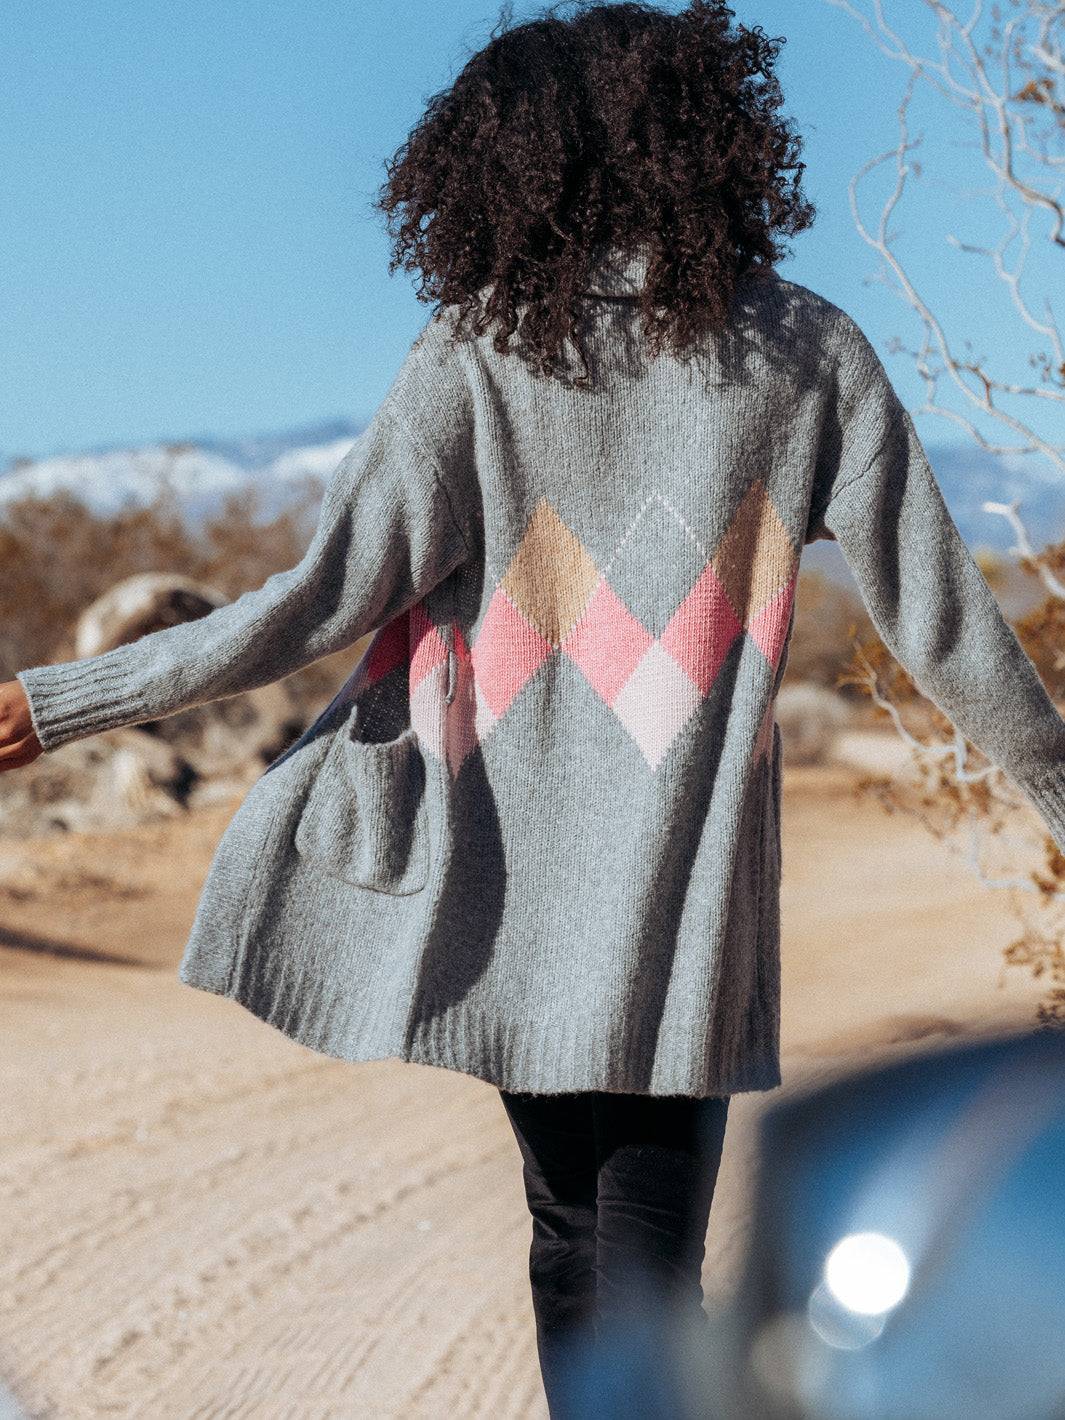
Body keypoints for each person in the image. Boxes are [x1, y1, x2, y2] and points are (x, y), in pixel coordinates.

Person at [2, 3, 1064, 1414]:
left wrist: (62, 700)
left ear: (500, 168)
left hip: (515, 892)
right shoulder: (806, 354)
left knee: (575, 1238)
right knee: (644, 1248)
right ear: (707, 148)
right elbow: (942, 622)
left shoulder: (474, 354)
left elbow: (316, 600)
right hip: (682, 904)